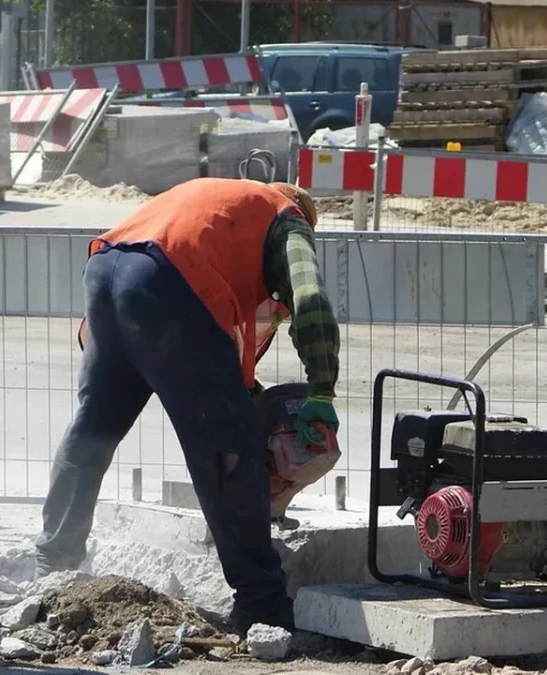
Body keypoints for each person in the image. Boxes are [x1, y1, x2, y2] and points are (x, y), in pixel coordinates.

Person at [35, 178, 341, 635]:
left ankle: (53, 568)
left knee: (93, 428)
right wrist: (321, 389)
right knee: (227, 449)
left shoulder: (222, 205)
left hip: (107, 273)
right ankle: (261, 602)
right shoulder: (288, 219)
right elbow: (310, 299)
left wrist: (242, 394)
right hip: (171, 281)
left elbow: (214, 351)